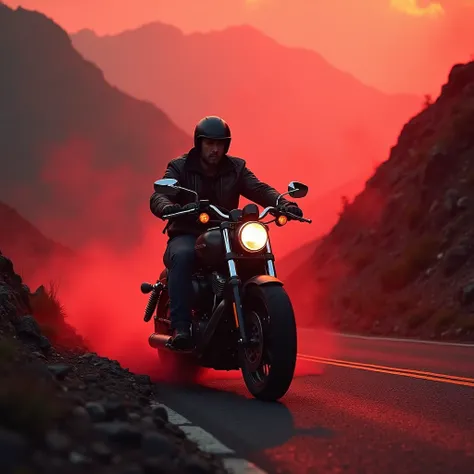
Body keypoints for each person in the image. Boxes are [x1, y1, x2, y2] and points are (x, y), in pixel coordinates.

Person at [150, 116, 303, 350]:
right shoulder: (180, 167)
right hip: (188, 232)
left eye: (219, 144)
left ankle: (261, 315)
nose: (214, 149)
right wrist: (168, 206)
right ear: (199, 143)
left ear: (226, 146)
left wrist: (283, 203)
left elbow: (259, 188)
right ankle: (181, 327)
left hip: (227, 233)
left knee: (254, 254)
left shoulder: (236, 168)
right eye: (209, 143)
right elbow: (159, 194)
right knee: (182, 256)